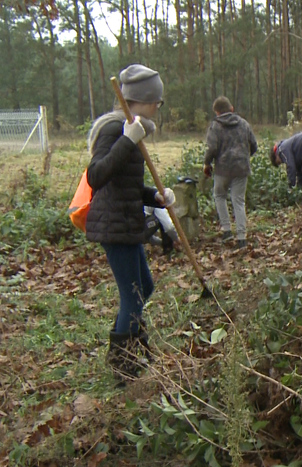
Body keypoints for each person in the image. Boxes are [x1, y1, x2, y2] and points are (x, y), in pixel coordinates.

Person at [85, 63, 174, 382]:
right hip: (114, 225)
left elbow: (128, 187)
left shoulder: (132, 128)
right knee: (133, 296)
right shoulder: (114, 130)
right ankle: (123, 363)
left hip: (127, 222)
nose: (158, 108)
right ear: (143, 100)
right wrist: (126, 140)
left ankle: (130, 339)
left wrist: (157, 197)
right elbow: (96, 176)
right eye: (156, 102)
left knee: (144, 287)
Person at [203, 96, 258, 249]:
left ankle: (226, 230)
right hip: (241, 168)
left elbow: (212, 148)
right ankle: (241, 238)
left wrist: (207, 163)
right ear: (231, 109)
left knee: (219, 196)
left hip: (222, 169)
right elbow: (254, 145)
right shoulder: (244, 124)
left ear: (217, 112)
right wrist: (244, 157)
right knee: (238, 201)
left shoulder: (215, 126)